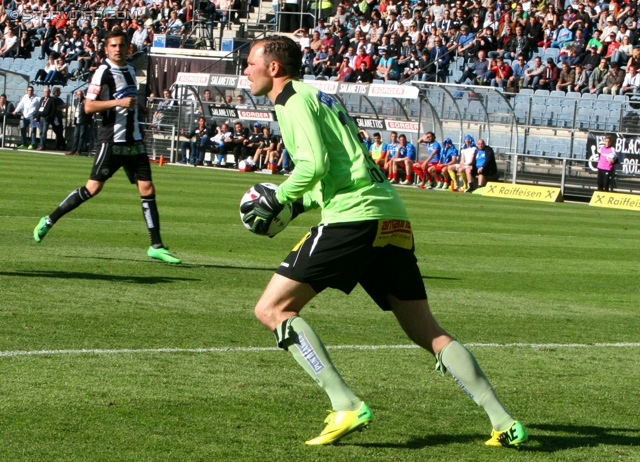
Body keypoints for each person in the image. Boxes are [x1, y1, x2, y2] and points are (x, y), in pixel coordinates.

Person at [241, 35, 528, 447]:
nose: (246, 70)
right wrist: (296, 206)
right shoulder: (320, 97)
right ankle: (503, 422)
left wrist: (278, 198)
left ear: (273, 68)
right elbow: (338, 166)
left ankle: (345, 404)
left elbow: (314, 164)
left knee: (272, 309)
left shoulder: (289, 100)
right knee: (426, 329)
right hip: (390, 216)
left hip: (353, 218)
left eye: (251, 62)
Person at [33, 30, 181, 265]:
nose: (118, 49)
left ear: (128, 47)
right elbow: (89, 107)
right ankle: (49, 220)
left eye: (122, 45)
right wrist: (117, 102)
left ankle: (156, 245)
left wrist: (139, 107)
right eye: (113, 45)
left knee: (147, 188)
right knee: (92, 188)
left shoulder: (130, 70)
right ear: (106, 49)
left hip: (133, 140)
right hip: (111, 140)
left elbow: (127, 98)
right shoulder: (103, 72)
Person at [66, 89, 93, 156]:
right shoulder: (76, 101)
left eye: (80, 94)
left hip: (83, 120)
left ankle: (78, 150)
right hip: (78, 120)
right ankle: (73, 150)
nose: (79, 96)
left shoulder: (85, 101)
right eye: (78, 94)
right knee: (75, 136)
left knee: (81, 136)